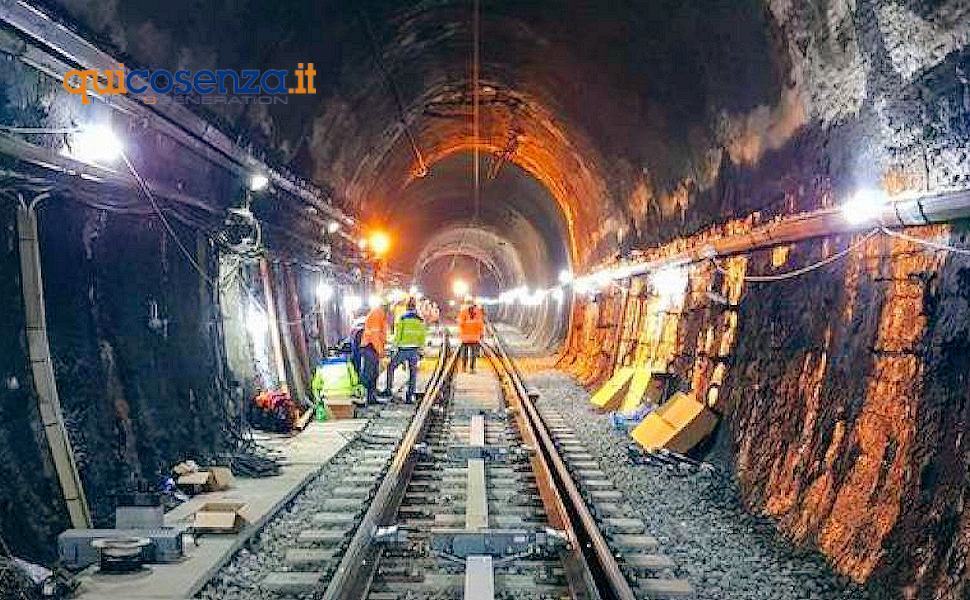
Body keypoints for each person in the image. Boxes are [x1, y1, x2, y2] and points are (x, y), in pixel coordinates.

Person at [380, 298, 427, 403]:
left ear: (407, 307)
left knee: (391, 367)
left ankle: (388, 389)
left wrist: (393, 347)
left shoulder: (402, 318)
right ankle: (410, 395)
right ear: (415, 307)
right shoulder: (420, 320)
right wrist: (421, 350)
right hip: (414, 350)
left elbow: (398, 335)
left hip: (403, 349)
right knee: (413, 373)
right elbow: (422, 336)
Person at [359, 300, 389, 404]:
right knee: (369, 374)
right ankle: (363, 396)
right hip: (370, 347)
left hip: (372, 348)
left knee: (374, 373)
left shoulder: (380, 314)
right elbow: (375, 336)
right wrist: (381, 351)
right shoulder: (377, 314)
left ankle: (371, 397)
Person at [458, 301, 485, 373]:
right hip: (475, 337)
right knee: (473, 354)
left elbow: (460, 324)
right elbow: (481, 324)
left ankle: (464, 368)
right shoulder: (478, 312)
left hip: (465, 337)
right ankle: (472, 368)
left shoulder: (463, 312)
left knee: (464, 353)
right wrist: (482, 334)